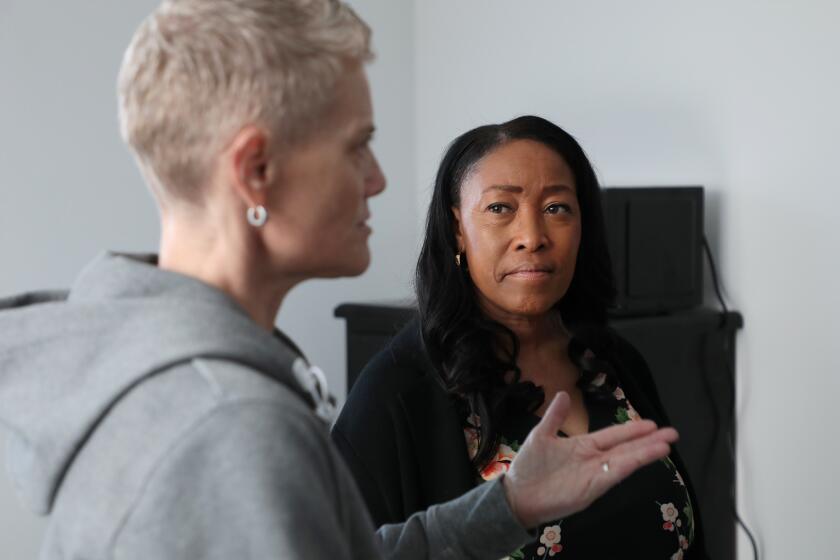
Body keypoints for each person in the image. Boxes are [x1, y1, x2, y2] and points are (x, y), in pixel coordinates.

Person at [0, 2, 678, 559]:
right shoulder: (230, 427)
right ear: (255, 172)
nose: (377, 178)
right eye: (356, 144)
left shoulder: (170, 386)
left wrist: (508, 504)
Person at [333, 115, 709, 559]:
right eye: (500, 208)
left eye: (556, 208)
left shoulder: (613, 362)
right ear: (457, 229)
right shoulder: (397, 392)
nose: (532, 237)